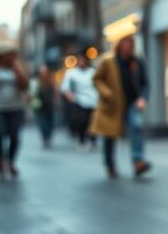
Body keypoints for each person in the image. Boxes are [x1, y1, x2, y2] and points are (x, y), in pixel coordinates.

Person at [90, 35, 151, 179]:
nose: (129, 46)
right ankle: (109, 164)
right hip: (113, 104)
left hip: (132, 103)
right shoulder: (108, 61)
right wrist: (106, 93)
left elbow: (145, 83)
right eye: (126, 43)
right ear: (120, 45)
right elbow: (97, 79)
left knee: (137, 126)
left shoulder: (138, 61)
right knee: (109, 135)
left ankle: (138, 161)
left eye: (131, 43)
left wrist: (142, 98)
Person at [0, 44, 29, 180]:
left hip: (15, 108)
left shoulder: (18, 67)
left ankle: (11, 162)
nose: (10, 56)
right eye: (7, 54)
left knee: (14, 136)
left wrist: (17, 71)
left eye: (12, 54)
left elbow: (25, 86)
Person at [60, 52, 98, 150]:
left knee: (92, 121)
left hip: (93, 101)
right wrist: (70, 96)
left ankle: (93, 139)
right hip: (79, 100)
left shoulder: (92, 72)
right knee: (81, 121)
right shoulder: (71, 73)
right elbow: (65, 87)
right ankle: (82, 140)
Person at [30, 64, 57, 148]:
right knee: (42, 122)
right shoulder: (36, 81)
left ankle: (48, 136)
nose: (43, 73)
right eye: (42, 71)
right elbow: (32, 93)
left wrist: (56, 101)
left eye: (45, 71)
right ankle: (45, 138)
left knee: (51, 122)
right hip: (39, 106)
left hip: (50, 105)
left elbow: (55, 91)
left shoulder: (51, 81)